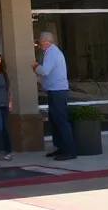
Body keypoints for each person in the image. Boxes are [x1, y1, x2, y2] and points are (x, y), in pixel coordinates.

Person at [32, 32, 75, 161]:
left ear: (45, 41)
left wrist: (36, 67)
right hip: (54, 90)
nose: (39, 45)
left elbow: (45, 71)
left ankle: (69, 150)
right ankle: (60, 148)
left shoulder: (51, 52)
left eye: (40, 42)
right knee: (55, 120)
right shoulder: (54, 52)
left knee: (61, 120)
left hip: (57, 91)